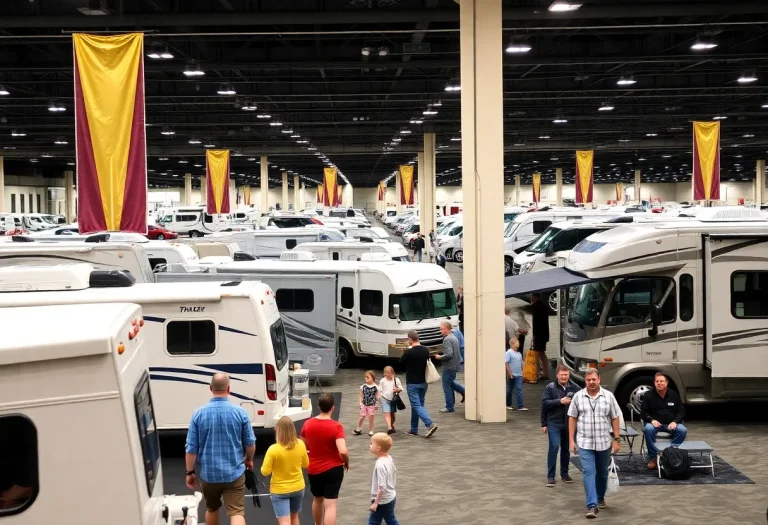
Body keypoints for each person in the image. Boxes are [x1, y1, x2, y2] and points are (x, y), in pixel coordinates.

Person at [185, 373, 256, 525]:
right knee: (236, 512)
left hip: (209, 475)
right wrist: (249, 460)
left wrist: (190, 472)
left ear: (210, 388)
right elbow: (250, 443)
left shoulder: (198, 414)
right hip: (234, 473)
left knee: (212, 509)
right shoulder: (240, 413)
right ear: (228, 388)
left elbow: (191, 448)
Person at [567, 369, 621, 519]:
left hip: (604, 442)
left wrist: (616, 439)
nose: (591, 382)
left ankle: (600, 497)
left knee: (602, 472)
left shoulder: (609, 397)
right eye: (588, 380)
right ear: (585, 381)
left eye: (594, 379)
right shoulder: (578, 397)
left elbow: (615, 418)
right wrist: (571, 440)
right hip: (585, 442)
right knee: (588, 471)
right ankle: (592, 505)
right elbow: (572, 418)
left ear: (599, 380)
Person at [301, 393, 350, 525]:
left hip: (314, 469)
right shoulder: (336, 426)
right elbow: (343, 450)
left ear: (319, 406)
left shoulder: (308, 424)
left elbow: (303, 445)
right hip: (333, 468)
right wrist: (346, 461)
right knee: (330, 505)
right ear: (333, 408)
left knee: (317, 499)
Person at [261, 416, 309, 525]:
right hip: (298, 487)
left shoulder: (273, 449)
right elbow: (306, 464)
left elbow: (265, 471)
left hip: (279, 490)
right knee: (294, 517)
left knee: (284, 522)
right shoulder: (300, 444)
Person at [541, 365, 579, 487]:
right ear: (557, 375)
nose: (564, 377)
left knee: (566, 449)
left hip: (569, 423)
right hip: (554, 422)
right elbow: (545, 404)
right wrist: (560, 402)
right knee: (554, 446)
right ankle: (551, 476)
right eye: (562, 374)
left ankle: (564, 473)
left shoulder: (574, 388)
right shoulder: (550, 388)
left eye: (566, 374)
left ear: (569, 375)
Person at [641, 372, 687, 470]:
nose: (659, 383)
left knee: (682, 430)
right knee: (648, 429)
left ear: (666, 383)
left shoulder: (674, 395)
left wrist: (675, 421)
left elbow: (681, 411)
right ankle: (653, 457)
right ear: (654, 383)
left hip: (671, 424)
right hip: (655, 424)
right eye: (657, 381)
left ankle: (669, 453)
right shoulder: (648, 395)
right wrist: (651, 420)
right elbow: (643, 413)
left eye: (661, 381)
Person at [399, 330, 438, 438]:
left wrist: (406, 351)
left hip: (412, 382)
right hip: (423, 382)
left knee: (416, 405)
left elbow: (400, 362)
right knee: (418, 405)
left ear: (410, 339)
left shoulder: (409, 352)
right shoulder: (425, 350)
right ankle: (413, 429)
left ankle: (430, 424)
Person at [368, 433, 400, 525]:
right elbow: (394, 472)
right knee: (390, 519)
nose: (370, 445)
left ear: (378, 448)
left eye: (371, 443)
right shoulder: (389, 458)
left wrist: (375, 503)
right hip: (391, 496)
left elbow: (381, 486)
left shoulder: (380, 465)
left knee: (373, 522)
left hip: (382, 501)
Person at [434, 321, 465, 413]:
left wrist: (440, 357)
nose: (440, 331)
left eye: (442, 329)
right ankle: (462, 391)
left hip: (449, 366)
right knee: (450, 382)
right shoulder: (454, 337)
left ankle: (449, 406)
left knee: (446, 385)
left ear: (447, 329)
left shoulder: (447, 339)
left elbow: (449, 354)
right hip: (455, 364)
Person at [531, 293, 551, 381]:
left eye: (531, 296)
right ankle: (545, 373)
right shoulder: (543, 306)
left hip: (539, 335)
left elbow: (536, 324)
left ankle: (536, 374)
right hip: (544, 334)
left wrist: (534, 335)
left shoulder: (536, 307)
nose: (530, 298)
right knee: (542, 354)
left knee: (537, 354)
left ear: (535, 297)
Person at [379, 366, 403, 435]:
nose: (386, 374)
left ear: (392, 373)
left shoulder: (396, 380)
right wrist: (380, 395)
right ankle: (389, 428)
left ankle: (391, 425)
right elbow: (380, 389)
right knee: (387, 413)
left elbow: (401, 388)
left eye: (388, 373)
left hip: (393, 399)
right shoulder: (382, 381)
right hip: (385, 399)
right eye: (385, 373)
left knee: (392, 414)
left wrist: (397, 389)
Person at [505, 336, 526, 411]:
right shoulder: (508, 353)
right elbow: (506, 363)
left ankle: (520, 406)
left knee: (519, 389)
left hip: (518, 374)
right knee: (509, 390)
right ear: (512, 344)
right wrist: (509, 372)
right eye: (517, 342)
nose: (519, 344)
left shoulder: (519, 354)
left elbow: (521, 363)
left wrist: (522, 371)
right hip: (511, 374)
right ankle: (508, 404)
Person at [355, 371, 379, 436]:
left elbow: (377, 396)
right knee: (361, 417)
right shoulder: (363, 386)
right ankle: (359, 428)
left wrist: (377, 403)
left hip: (371, 405)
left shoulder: (375, 387)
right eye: (365, 377)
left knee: (371, 418)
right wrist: (360, 402)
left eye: (368, 377)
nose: (366, 378)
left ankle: (371, 430)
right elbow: (361, 395)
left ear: (372, 378)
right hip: (364, 404)